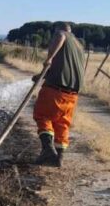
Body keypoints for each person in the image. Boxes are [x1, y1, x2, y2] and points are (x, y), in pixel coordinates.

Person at [33, 22, 85, 167]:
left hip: (55, 89)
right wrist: (41, 76)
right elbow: (63, 67)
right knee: (62, 123)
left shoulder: (61, 34)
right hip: (72, 93)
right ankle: (59, 157)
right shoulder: (79, 46)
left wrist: (49, 58)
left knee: (42, 115)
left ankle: (47, 150)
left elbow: (60, 36)